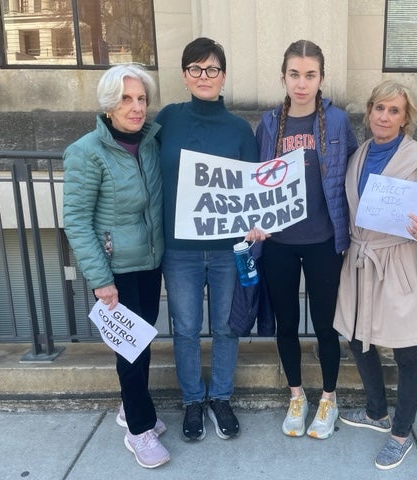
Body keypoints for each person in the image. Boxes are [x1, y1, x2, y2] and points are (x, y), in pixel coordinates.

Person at [246, 40, 358, 439]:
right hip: (278, 242)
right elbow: (257, 180)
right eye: (294, 74)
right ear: (284, 76)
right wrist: (255, 223)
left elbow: (354, 173)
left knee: (327, 326)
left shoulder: (339, 122)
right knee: (286, 323)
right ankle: (298, 395)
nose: (302, 83)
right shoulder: (270, 123)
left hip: (324, 240)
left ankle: (328, 397)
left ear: (321, 78)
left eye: (310, 75)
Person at [333, 80, 417, 470]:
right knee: (356, 339)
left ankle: (401, 433)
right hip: (361, 259)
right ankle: (376, 411)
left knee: (405, 350)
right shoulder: (359, 154)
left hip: (395, 262)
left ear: (405, 117)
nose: (384, 116)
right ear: (369, 111)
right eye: (379, 108)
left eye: (394, 110)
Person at [63, 64, 168, 469]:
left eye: (141, 99)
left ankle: (131, 406)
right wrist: (101, 281)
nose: (136, 107)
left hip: (150, 261)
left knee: (141, 342)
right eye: (127, 99)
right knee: (132, 352)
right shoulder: (86, 152)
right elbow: (76, 220)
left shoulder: (151, 144)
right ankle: (139, 429)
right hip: (116, 270)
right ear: (109, 104)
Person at [155, 37, 259, 442]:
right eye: (196, 69)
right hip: (179, 249)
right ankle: (192, 401)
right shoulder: (166, 120)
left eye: (212, 69)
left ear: (223, 77)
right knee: (185, 328)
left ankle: (220, 397)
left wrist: (256, 224)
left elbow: (253, 190)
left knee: (225, 328)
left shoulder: (238, 129)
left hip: (226, 247)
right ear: (184, 76)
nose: (204, 76)